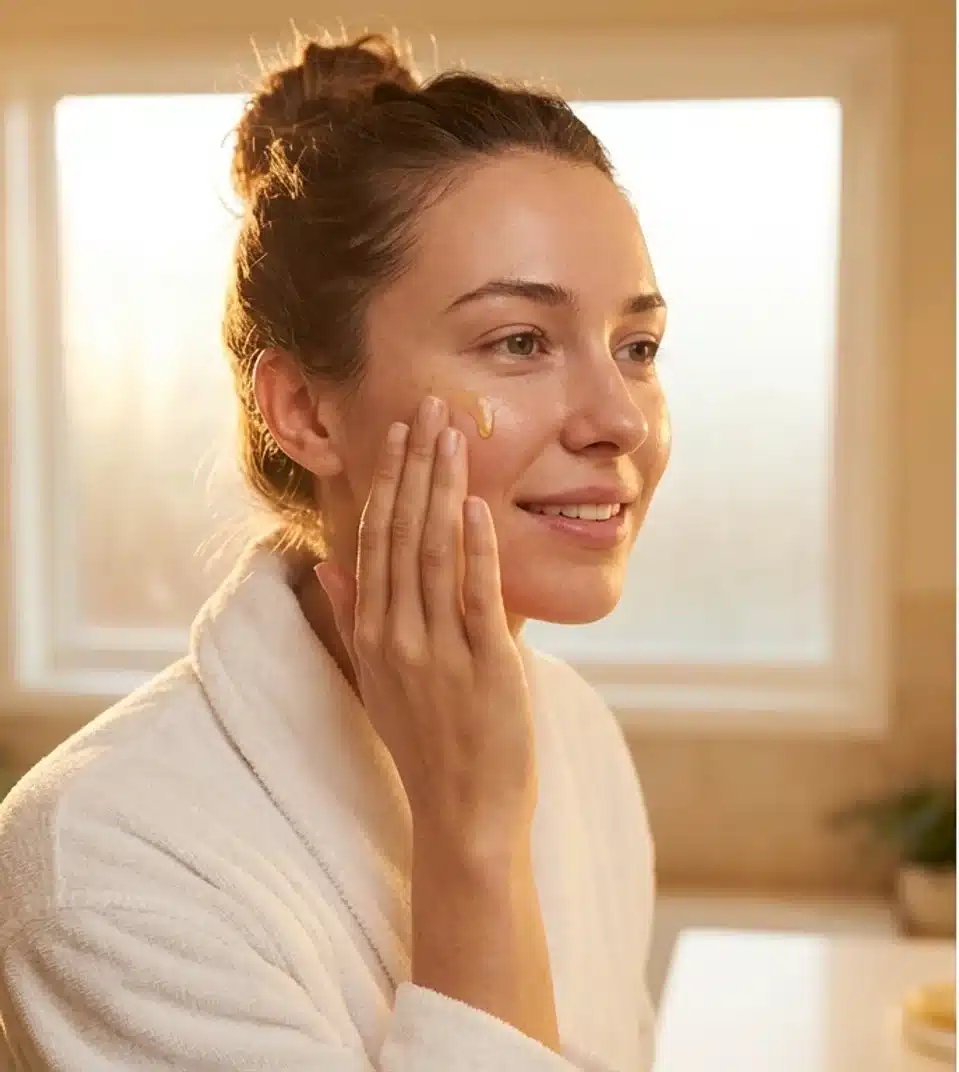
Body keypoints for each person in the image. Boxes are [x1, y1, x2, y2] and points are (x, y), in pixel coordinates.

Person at [0, 34, 666, 1070]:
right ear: (306, 410)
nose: (618, 419)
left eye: (638, 348)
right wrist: (470, 837)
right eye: (520, 342)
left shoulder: (578, 737)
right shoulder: (98, 860)